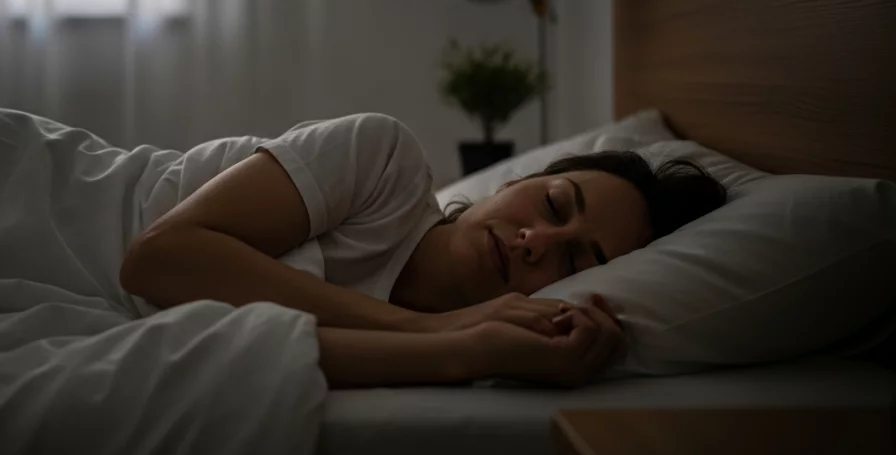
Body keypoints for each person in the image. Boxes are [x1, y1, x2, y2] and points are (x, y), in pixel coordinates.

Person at [121, 112, 726, 389]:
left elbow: (265, 349)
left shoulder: (473, 342)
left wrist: (470, 348)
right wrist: (429, 329)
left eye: (575, 262)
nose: (536, 243)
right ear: (514, 182)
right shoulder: (385, 161)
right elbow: (158, 257)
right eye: (552, 204)